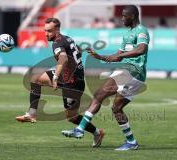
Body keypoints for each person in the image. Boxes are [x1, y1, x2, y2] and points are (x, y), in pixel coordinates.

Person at [62, 5, 150, 151]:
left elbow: (142, 49)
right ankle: (131, 142)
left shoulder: (142, 31)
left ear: (132, 16)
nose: (121, 19)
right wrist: (101, 57)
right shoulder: (127, 35)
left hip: (133, 70)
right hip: (130, 73)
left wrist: (120, 56)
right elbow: (118, 56)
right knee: (117, 108)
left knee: (99, 94)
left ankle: (80, 129)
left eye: (124, 16)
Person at [15, 17, 104, 147]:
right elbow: (77, 50)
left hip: (73, 83)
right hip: (67, 76)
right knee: (35, 79)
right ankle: (32, 114)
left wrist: (56, 76)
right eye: (45, 30)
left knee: (72, 117)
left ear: (57, 30)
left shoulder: (57, 43)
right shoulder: (67, 38)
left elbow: (63, 59)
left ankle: (97, 133)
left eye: (49, 31)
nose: (46, 34)